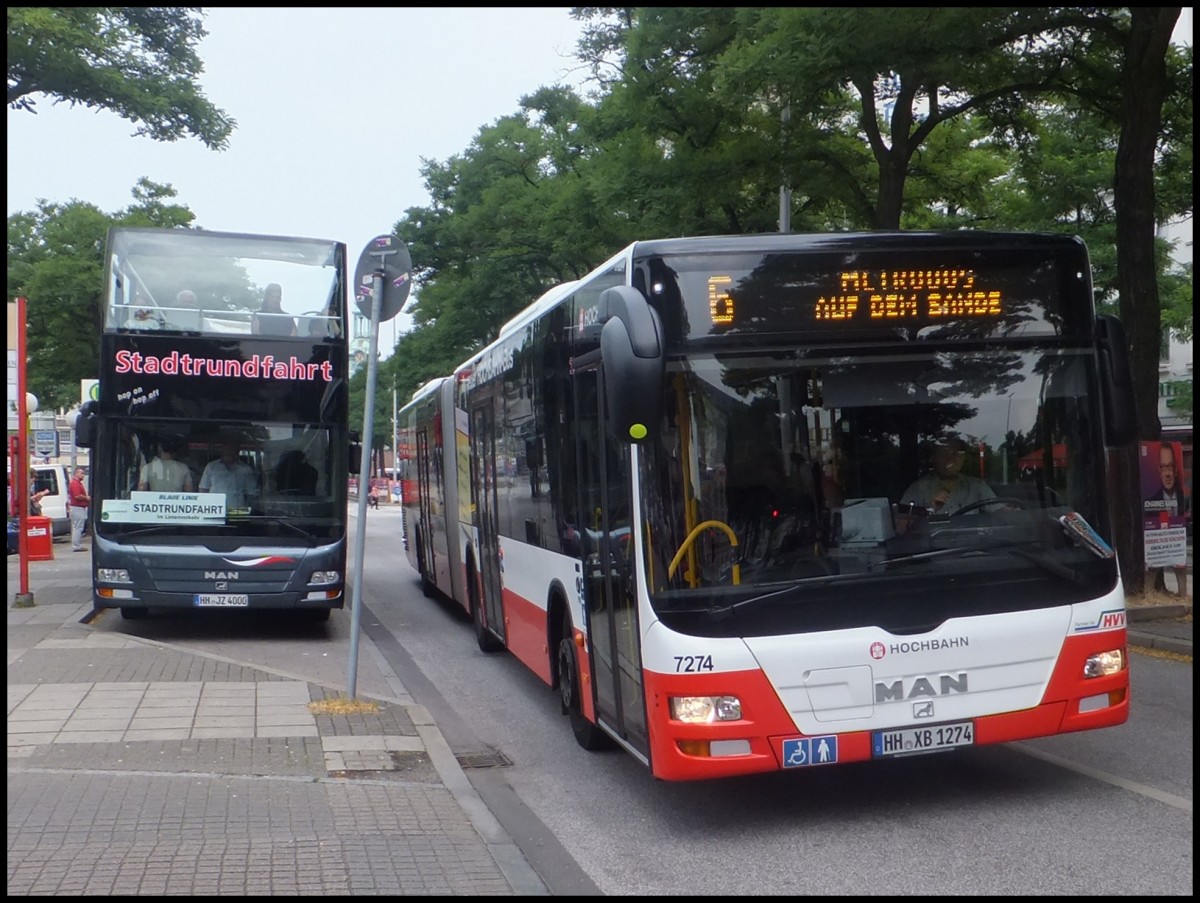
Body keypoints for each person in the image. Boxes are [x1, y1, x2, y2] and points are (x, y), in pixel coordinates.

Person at [899, 435, 996, 517]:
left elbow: (1001, 513)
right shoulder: (918, 489)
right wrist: (930, 509)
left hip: (972, 539)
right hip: (932, 539)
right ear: (933, 458)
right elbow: (903, 526)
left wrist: (1009, 513)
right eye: (944, 453)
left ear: (963, 459)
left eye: (956, 454)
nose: (951, 459)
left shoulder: (977, 486)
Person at [1145, 442, 1189, 597]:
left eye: (1170, 467)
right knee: (1152, 566)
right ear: (1159, 470)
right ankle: (1148, 595)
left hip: (1176, 542)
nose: (1168, 473)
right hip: (1157, 543)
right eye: (1164, 467)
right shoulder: (1150, 501)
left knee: (1180, 564)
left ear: (1176, 471)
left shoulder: (1182, 498)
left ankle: (1183, 595)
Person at [199, 439, 259, 509]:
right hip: (214, 510)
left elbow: (251, 493)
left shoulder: (245, 470)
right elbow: (203, 489)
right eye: (226, 450)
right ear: (222, 451)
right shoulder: (211, 467)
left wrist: (248, 509)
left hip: (237, 511)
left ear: (237, 452)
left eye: (231, 450)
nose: (228, 452)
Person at [67, 467, 91, 551]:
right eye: (82, 473)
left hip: (78, 508)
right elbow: (77, 496)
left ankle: (77, 545)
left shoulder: (77, 483)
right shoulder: (75, 483)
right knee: (78, 527)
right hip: (77, 508)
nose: (83, 475)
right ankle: (76, 545)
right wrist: (87, 498)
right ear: (76, 473)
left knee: (77, 527)